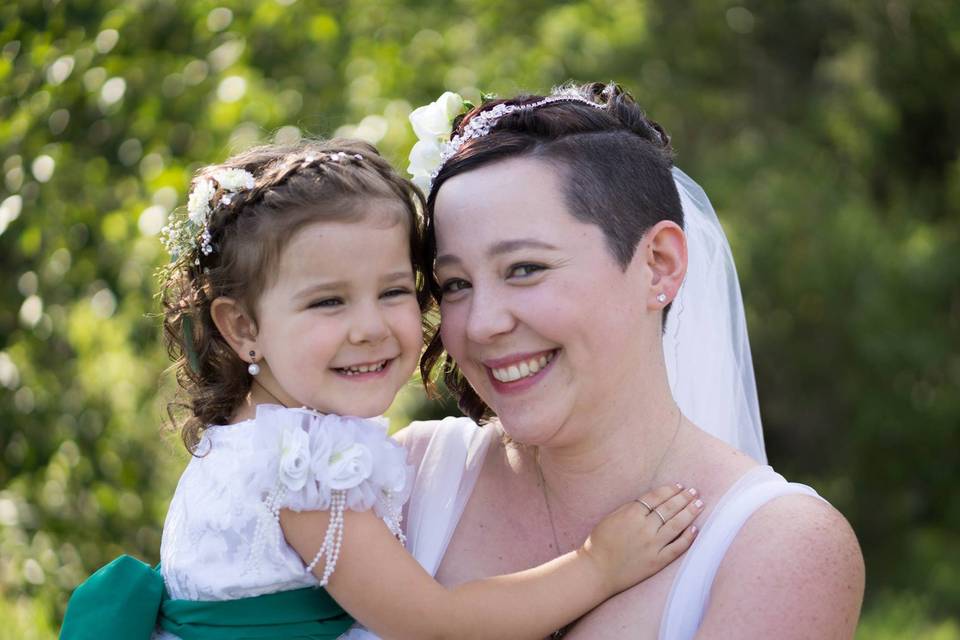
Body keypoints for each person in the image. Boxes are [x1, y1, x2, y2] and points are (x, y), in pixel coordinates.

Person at [60, 139, 705, 640]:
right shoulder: (302, 465)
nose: (369, 328)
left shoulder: (245, 441)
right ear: (243, 327)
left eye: (394, 291)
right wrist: (596, 565)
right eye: (328, 301)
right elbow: (433, 622)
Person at [390, 83, 865, 639]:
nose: (480, 323)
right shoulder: (403, 480)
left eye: (524, 268)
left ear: (659, 265)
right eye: (455, 284)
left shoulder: (780, 545)